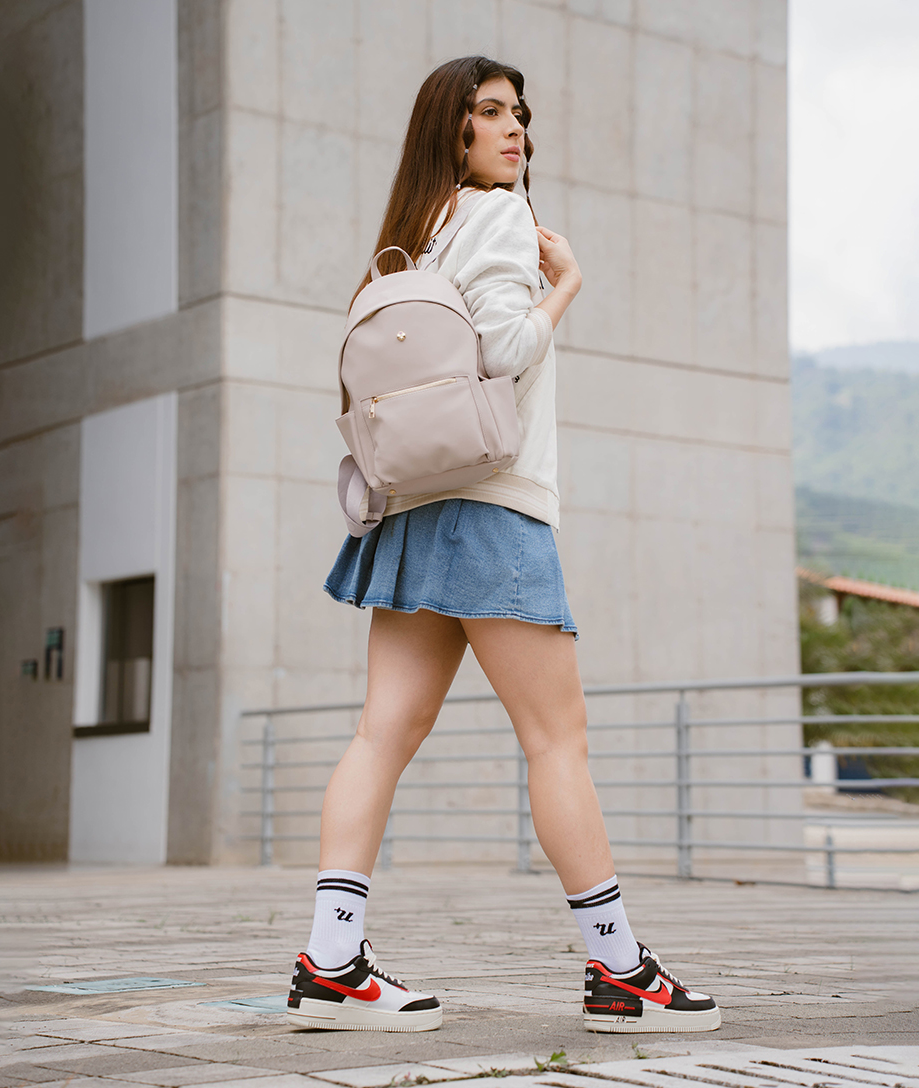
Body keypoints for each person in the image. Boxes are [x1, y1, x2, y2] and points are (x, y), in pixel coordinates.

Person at [286, 55, 720, 1036]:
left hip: (409, 507)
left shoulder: (416, 232)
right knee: (555, 739)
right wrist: (564, 283)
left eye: (519, 114)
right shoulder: (492, 216)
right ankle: (620, 971)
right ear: (455, 132)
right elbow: (504, 348)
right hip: (489, 505)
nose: (513, 129)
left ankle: (330, 957)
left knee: (379, 733)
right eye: (490, 114)